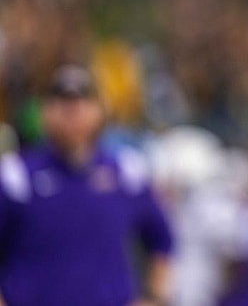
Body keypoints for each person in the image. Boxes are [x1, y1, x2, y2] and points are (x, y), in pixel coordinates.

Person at [0, 64, 174, 306]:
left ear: (100, 111)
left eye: (82, 102)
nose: (73, 112)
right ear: (44, 111)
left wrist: (155, 297)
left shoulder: (126, 172)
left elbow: (163, 240)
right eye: (63, 103)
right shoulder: (16, 176)